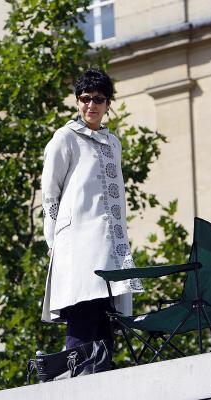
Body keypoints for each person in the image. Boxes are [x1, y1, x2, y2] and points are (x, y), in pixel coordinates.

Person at [41, 69, 142, 354]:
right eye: (85, 98)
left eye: (99, 99)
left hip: (110, 246)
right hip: (78, 245)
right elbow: (50, 195)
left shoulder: (114, 144)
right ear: (77, 101)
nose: (91, 105)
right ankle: (77, 377)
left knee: (104, 318)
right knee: (82, 310)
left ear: (108, 104)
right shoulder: (65, 138)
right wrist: (55, 244)